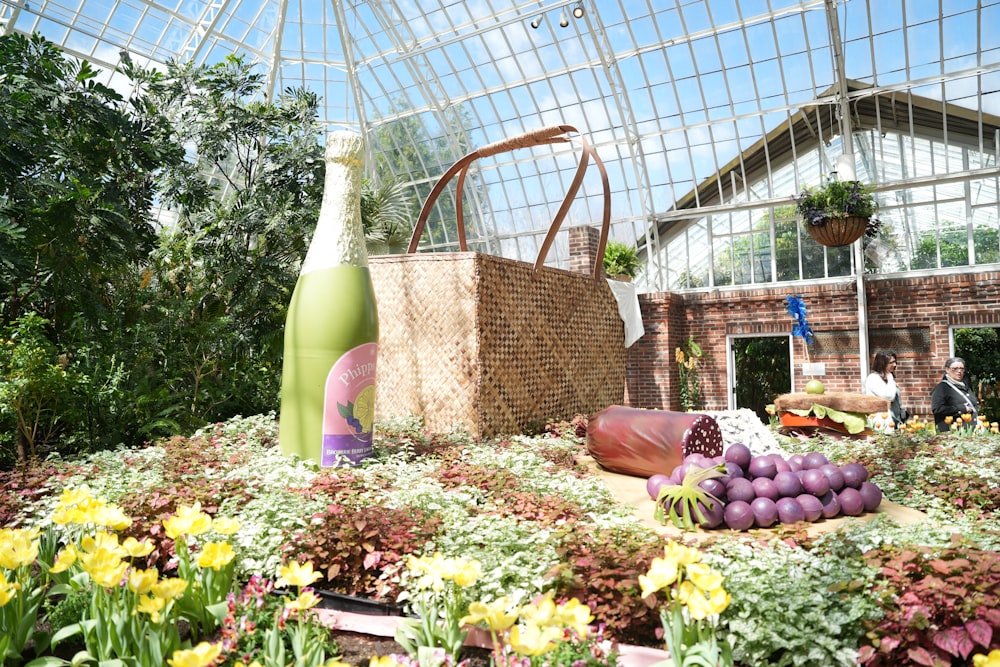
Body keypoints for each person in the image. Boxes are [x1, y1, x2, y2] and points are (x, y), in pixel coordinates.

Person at [931, 357, 979, 432]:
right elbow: (937, 409)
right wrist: (961, 409)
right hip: (953, 433)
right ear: (947, 370)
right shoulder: (941, 388)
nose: (959, 371)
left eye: (961, 368)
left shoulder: (966, 386)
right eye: (955, 369)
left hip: (970, 432)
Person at [864, 350, 904, 427]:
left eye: (895, 362)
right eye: (891, 363)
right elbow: (889, 396)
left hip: (895, 420)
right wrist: (890, 377)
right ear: (882, 364)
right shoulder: (873, 378)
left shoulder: (888, 379)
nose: (895, 365)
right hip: (881, 423)